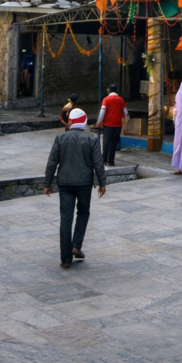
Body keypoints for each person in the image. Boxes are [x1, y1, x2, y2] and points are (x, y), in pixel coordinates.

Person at [44, 107, 106, 269]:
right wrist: (102, 183)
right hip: (84, 183)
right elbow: (98, 163)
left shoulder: (60, 138)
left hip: (64, 183)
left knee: (66, 219)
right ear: (84, 122)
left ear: (71, 122)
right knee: (83, 212)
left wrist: (47, 183)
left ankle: (65, 259)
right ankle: (76, 245)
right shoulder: (91, 139)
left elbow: (52, 162)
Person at [95, 84, 128, 167]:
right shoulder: (121, 100)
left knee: (106, 143)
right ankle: (111, 161)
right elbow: (126, 113)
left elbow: (102, 111)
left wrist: (98, 122)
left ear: (109, 90)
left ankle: (104, 160)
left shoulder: (106, 99)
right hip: (118, 125)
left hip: (108, 125)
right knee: (113, 143)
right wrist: (125, 124)